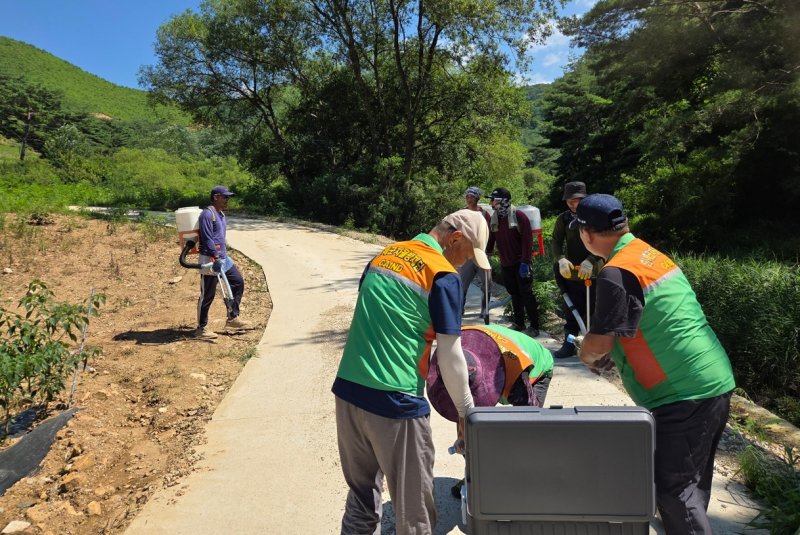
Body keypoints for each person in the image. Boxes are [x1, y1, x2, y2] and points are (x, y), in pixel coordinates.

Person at [572, 194, 736, 534]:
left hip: (682, 394)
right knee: (691, 486)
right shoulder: (647, 255)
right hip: (710, 380)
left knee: (674, 494)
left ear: (586, 234)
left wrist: (585, 353)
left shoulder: (616, 273)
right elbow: (644, 326)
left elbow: (598, 344)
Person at [332, 209, 491, 535]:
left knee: (361, 500)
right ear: (454, 238)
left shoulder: (384, 255)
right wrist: (467, 412)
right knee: (414, 514)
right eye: (466, 255)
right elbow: (450, 355)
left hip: (348, 391)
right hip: (396, 402)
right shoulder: (443, 275)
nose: (464, 264)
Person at [425, 323, 554, 498]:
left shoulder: (515, 372)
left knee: (523, 435)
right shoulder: (453, 348)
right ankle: (478, 477)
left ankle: (519, 485)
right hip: (489, 365)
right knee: (470, 432)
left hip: (534, 367)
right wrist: (463, 439)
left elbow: (529, 420)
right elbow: (461, 411)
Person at [550, 181, 604, 358]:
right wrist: (561, 259)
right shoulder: (564, 219)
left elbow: (604, 242)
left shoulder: (596, 217)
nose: (572, 204)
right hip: (571, 273)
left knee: (595, 311)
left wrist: (591, 259)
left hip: (594, 272)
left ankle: (598, 350)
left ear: (584, 198)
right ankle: (569, 345)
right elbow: (556, 242)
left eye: (576, 200)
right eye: (569, 201)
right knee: (571, 311)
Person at [196, 185, 250, 339]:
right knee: (208, 294)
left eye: (228, 197)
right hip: (210, 259)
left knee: (237, 282)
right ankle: (201, 328)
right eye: (225, 197)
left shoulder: (221, 214)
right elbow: (207, 238)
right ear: (215, 197)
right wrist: (216, 256)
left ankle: (233, 318)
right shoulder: (207, 214)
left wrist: (223, 255)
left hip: (223, 258)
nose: (228, 200)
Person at [485, 187, 540, 336]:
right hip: (506, 263)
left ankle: (534, 327)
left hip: (521, 263)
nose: (491, 203)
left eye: (493, 200)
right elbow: (492, 238)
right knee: (514, 294)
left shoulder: (519, 216)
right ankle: (519, 323)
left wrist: (525, 262)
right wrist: (486, 253)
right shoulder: (496, 218)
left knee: (527, 294)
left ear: (503, 201)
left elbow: (527, 240)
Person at [456, 186, 492, 316]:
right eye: (467, 196)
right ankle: (460, 309)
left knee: (487, 283)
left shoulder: (484, 214)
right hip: (466, 254)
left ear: (477, 198)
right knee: (462, 284)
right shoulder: (462, 213)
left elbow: (491, 233)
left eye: (471, 196)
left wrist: (490, 250)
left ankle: (484, 309)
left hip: (482, 253)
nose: (468, 199)